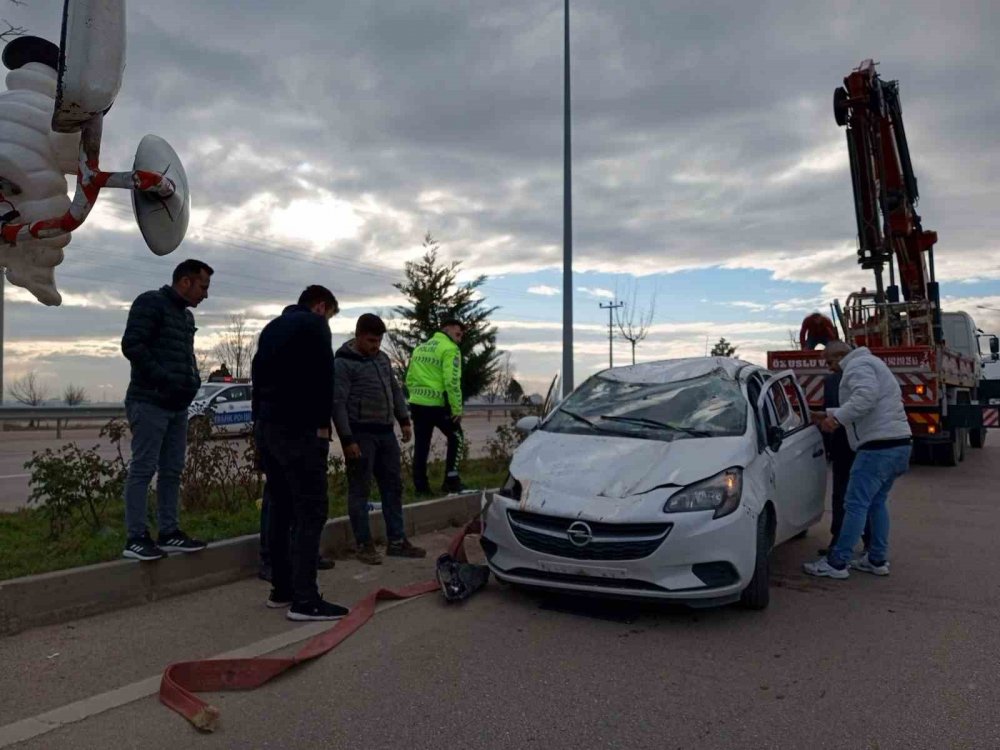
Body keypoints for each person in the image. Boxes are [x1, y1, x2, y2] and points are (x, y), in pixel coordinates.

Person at [252, 285, 349, 621]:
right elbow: (325, 376)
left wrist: (257, 432)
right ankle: (305, 600)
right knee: (311, 510)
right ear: (321, 307)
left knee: (280, 509)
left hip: (268, 429)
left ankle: (281, 590)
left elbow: (256, 378)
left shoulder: (271, 329)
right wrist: (323, 425)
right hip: (300, 430)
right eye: (331, 316)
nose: (329, 322)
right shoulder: (314, 325)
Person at [120, 259, 213, 561]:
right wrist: (165, 380)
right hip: (149, 402)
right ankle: (135, 538)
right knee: (143, 469)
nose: (205, 294)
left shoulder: (185, 317)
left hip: (176, 406)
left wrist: (192, 380)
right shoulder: (151, 303)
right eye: (203, 286)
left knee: (172, 470)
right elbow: (133, 345)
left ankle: (169, 533)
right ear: (185, 281)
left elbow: (183, 357)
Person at [804, 341, 911, 579]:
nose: (830, 367)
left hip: (876, 448)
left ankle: (837, 563)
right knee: (876, 503)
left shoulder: (857, 365)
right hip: (898, 444)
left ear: (841, 355)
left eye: (830, 361)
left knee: (855, 505)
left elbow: (865, 397)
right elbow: (872, 401)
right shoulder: (872, 363)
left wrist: (837, 419)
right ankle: (876, 559)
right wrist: (828, 413)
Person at [333, 313, 427, 564]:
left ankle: (397, 541)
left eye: (379, 341)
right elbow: (338, 403)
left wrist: (404, 420)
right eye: (371, 340)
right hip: (360, 435)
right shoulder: (343, 363)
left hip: (385, 434)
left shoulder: (382, 359)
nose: (376, 346)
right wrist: (347, 439)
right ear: (358, 336)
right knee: (360, 490)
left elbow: (395, 390)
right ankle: (364, 545)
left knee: (393, 487)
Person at [405, 319, 466, 495]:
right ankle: (451, 481)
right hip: (436, 405)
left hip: (417, 404)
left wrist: (415, 396)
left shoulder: (420, 348)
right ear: (446, 331)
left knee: (422, 445)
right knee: (457, 437)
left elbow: (409, 377)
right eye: (457, 334)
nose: (459, 339)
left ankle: (421, 488)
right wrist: (456, 408)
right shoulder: (450, 349)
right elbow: (452, 381)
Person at [816, 360, 870, 556]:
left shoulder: (837, 380)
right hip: (855, 445)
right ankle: (867, 545)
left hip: (850, 444)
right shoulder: (857, 377)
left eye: (830, 361)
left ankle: (839, 544)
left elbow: (831, 411)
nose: (828, 365)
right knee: (861, 496)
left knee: (845, 496)